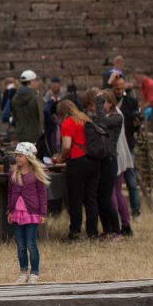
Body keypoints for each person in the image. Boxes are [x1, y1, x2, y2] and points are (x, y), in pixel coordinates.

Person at [52, 100, 99, 240]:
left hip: (77, 162)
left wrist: (59, 160)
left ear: (62, 113)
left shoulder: (67, 123)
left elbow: (66, 146)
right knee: (91, 199)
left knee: (76, 200)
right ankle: (92, 232)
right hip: (93, 161)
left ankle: (75, 232)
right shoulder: (86, 118)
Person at [83, 88, 124, 241]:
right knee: (99, 198)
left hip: (110, 161)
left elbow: (103, 123)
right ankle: (107, 230)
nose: (101, 105)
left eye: (104, 102)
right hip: (101, 160)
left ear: (111, 102)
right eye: (101, 102)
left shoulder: (117, 117)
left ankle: (117, 231)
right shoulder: (100, 116)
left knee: (106, 199)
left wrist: (98, 102)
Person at [6, 142, 49, 284]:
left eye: (20, 156)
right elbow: (10, 193)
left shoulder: (36, 173)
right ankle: (23, 271)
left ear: (29, 157)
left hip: (31, 212)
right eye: (17, 155)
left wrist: (43, 213)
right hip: (17, 212)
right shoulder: (13, 173)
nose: (17, 158)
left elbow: (42, 195)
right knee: (20, 244)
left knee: (31, 243)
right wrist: (10, 210)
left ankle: (35, 272)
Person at [112, 75, 142, 221]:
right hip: (112, 147)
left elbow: (135, 127)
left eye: (122, 88)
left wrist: (137, 123)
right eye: (117, 88)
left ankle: (136, 211)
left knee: (131, 180)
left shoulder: (131, 101)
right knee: (114, 183)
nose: (119, 91)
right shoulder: (109, 102)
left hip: (127, 144)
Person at [12, 70, 44, 145]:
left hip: (21, 136)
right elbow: (42, 116)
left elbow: (15, 117)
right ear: (31, 82)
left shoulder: (15, 98)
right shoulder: (36, 98)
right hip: (36, 136)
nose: (37, 83)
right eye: (35, 80)